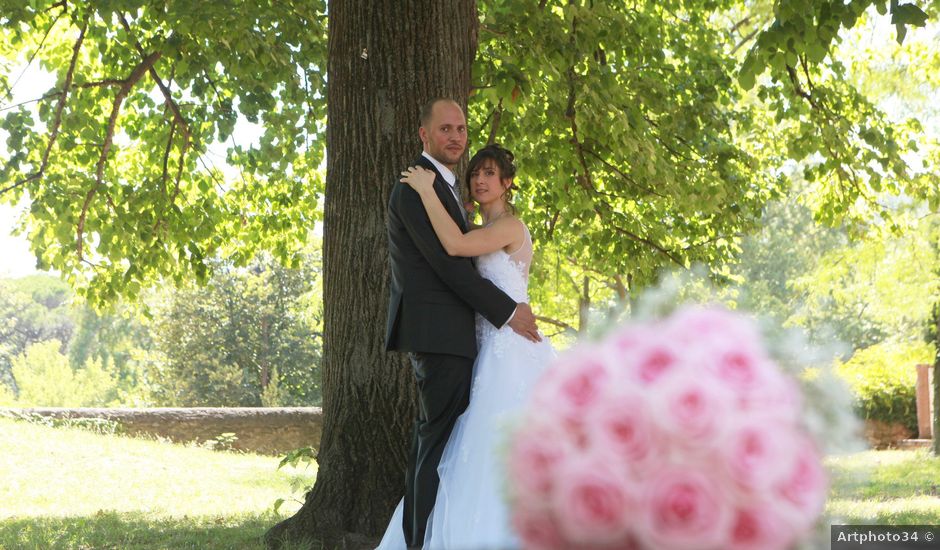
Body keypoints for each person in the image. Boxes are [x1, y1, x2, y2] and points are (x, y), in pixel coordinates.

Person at [378, 142, 555, 549]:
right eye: (476, 173)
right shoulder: (481, 230)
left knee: (497, 444)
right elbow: (456, 242)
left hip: (510, 349)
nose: (479, 179)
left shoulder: (511, 226)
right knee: (468, 447)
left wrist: (426, 191)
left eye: (490, 174)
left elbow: (454, 246)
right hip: (482, 346)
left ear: (508, 183)